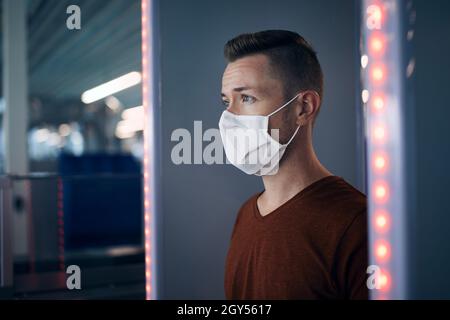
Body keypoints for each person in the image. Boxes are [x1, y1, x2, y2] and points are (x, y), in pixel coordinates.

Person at [219, 30, 368, 299]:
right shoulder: (246, 214)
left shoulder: (355, 224)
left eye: (247, 98)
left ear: (303, 107)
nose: (228, 117)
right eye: (226, 101)